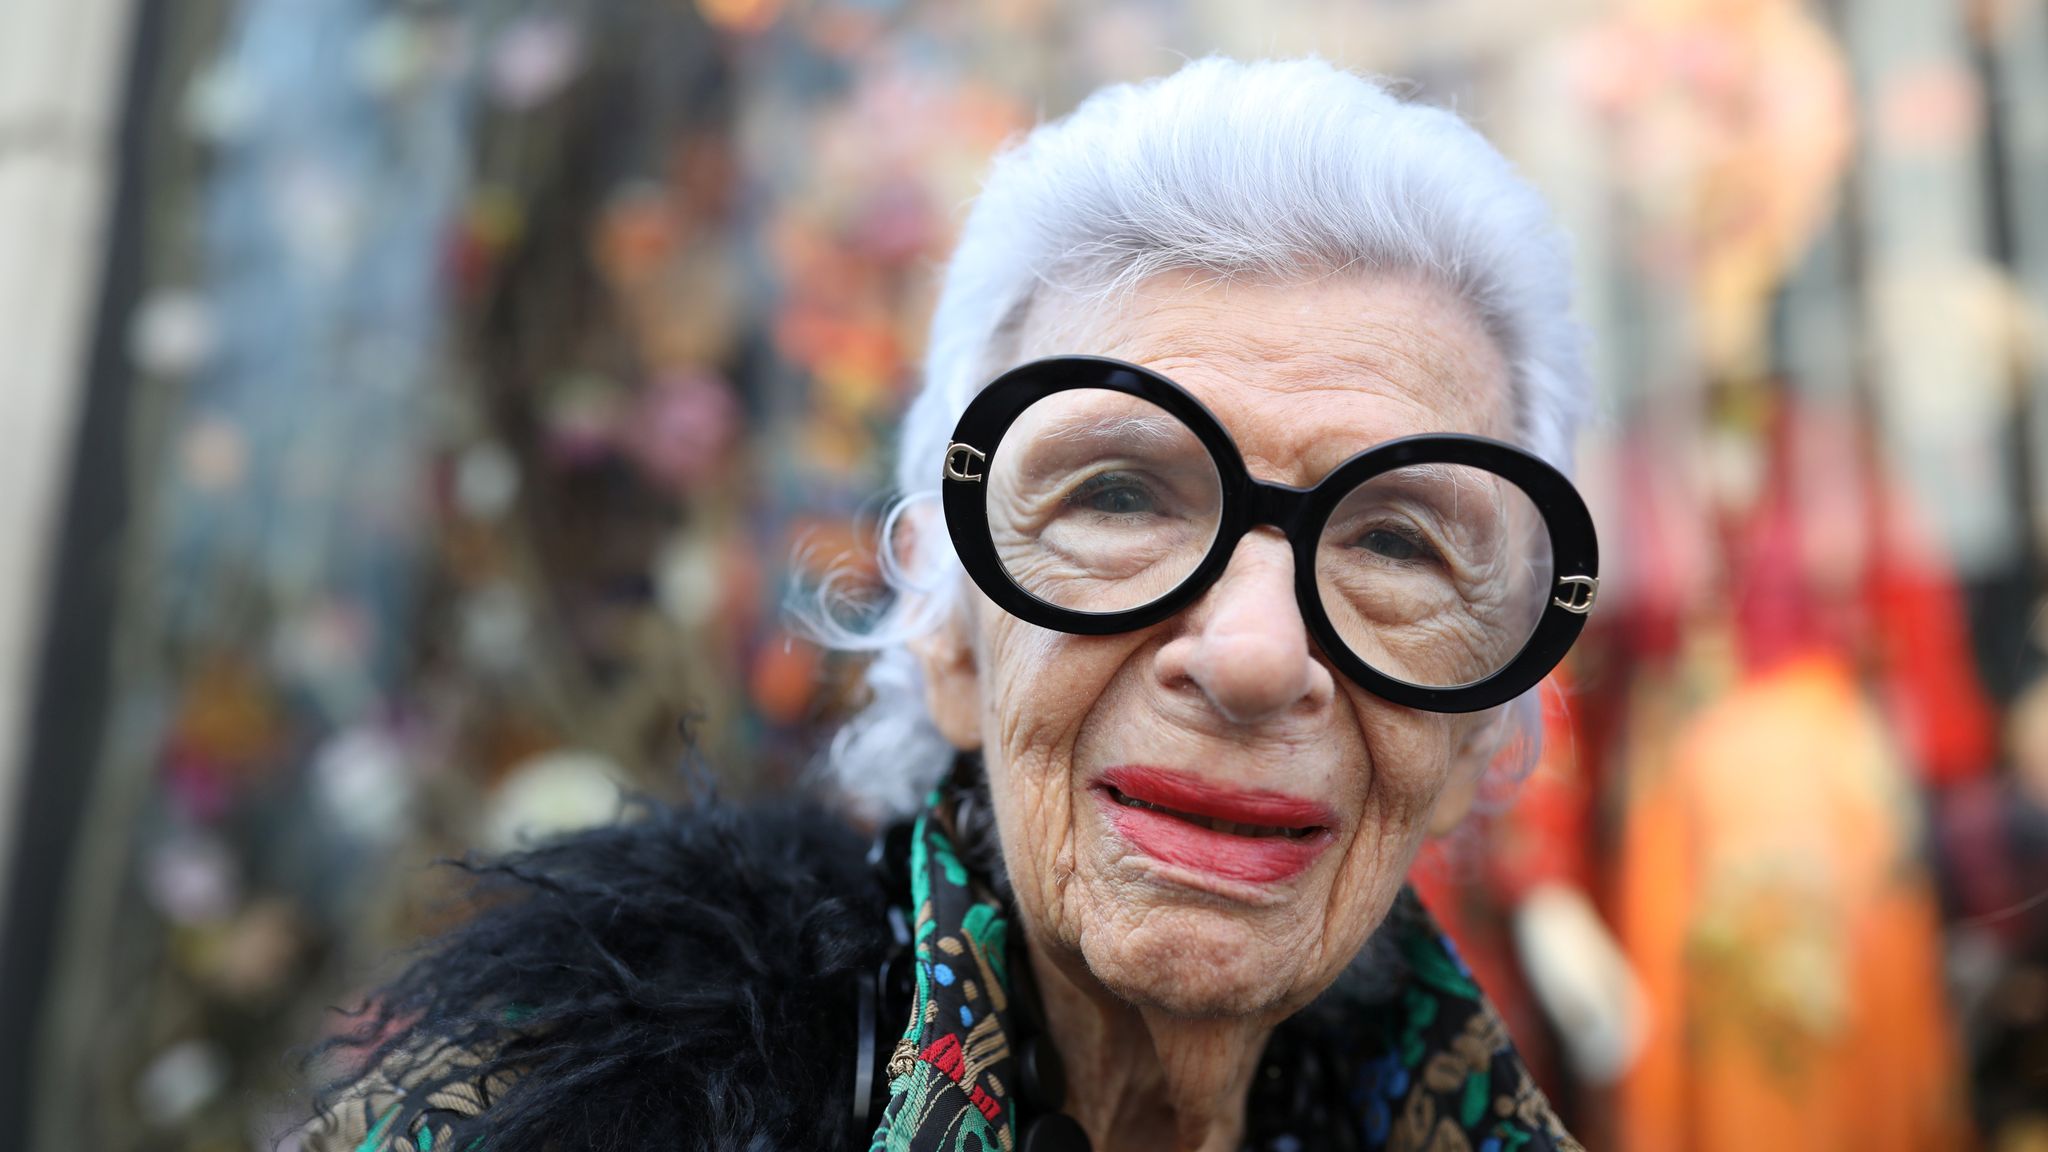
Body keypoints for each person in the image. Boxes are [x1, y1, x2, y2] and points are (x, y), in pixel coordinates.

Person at [305, 57, 1599, 1152]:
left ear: (1480, 737)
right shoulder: (565, 1107)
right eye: (1120, 497)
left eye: (1395, 543)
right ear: (944, 631)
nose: (1257, 655)